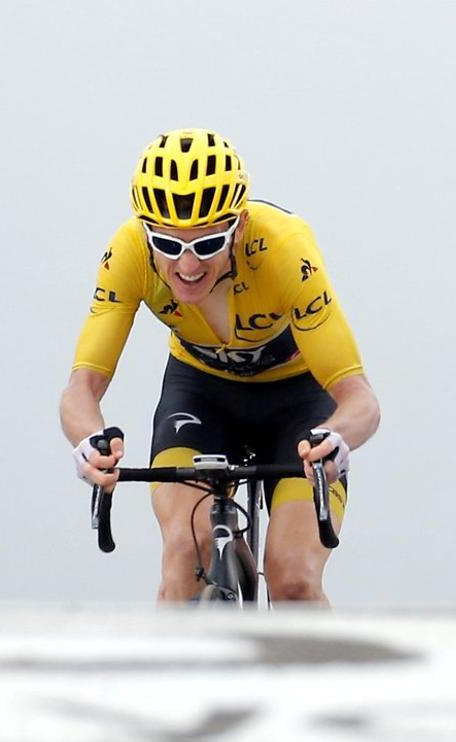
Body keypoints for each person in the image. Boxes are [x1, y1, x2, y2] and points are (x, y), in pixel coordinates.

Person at [61, 128, 380, 605]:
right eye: (167, 246)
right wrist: (89, 442)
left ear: (239, 225)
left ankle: (315, 678)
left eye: (208, 244)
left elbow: (360, 400)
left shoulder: (285, 250)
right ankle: (170, 676)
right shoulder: (127, 253)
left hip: (296, 401)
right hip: (201, 396)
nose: (187, 266)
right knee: (184, 553)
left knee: (293, 577)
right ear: (145, 233)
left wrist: (337, 438)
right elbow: (82, 387)